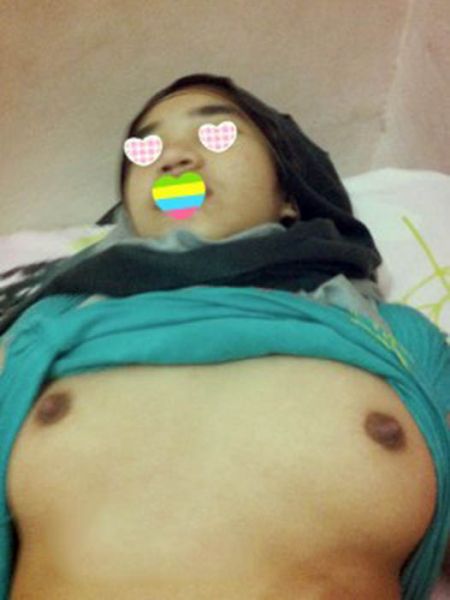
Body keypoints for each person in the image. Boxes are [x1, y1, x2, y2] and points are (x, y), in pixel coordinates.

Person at [0, 73, 449, 600]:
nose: (173, 158)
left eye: (217, 134)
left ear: (290, 195)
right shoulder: (47, 325)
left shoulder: (398, 337)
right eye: (146, 149)